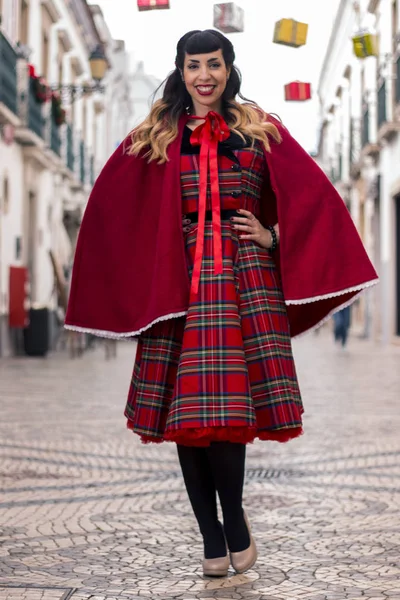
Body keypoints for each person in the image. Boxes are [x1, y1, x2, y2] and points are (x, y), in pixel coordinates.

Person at [65, 30, 378, 577]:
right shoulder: (155, 135)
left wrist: (272, 236)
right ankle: (210, 535)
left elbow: (313, 202)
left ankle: (232, 519)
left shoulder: (260, 130)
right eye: (193, 65)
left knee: (229, 413)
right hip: (178, 285)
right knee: (189, 417)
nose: (203, 75)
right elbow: (116, 208)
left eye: (214, 64)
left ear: (230, 69)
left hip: (243, 280)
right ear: (181, 71)